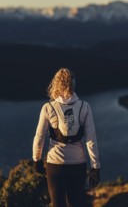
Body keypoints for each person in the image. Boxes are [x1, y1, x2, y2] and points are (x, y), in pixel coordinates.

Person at [32, 68, 100, 207]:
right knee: (75, 203)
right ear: (73, 84)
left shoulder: (48, 107)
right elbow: (91, 139)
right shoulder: (84, 107)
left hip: (55, 165)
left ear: (55, 84)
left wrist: (37, 160)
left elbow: (39, 137)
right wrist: (95, 167)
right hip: (78, 164)